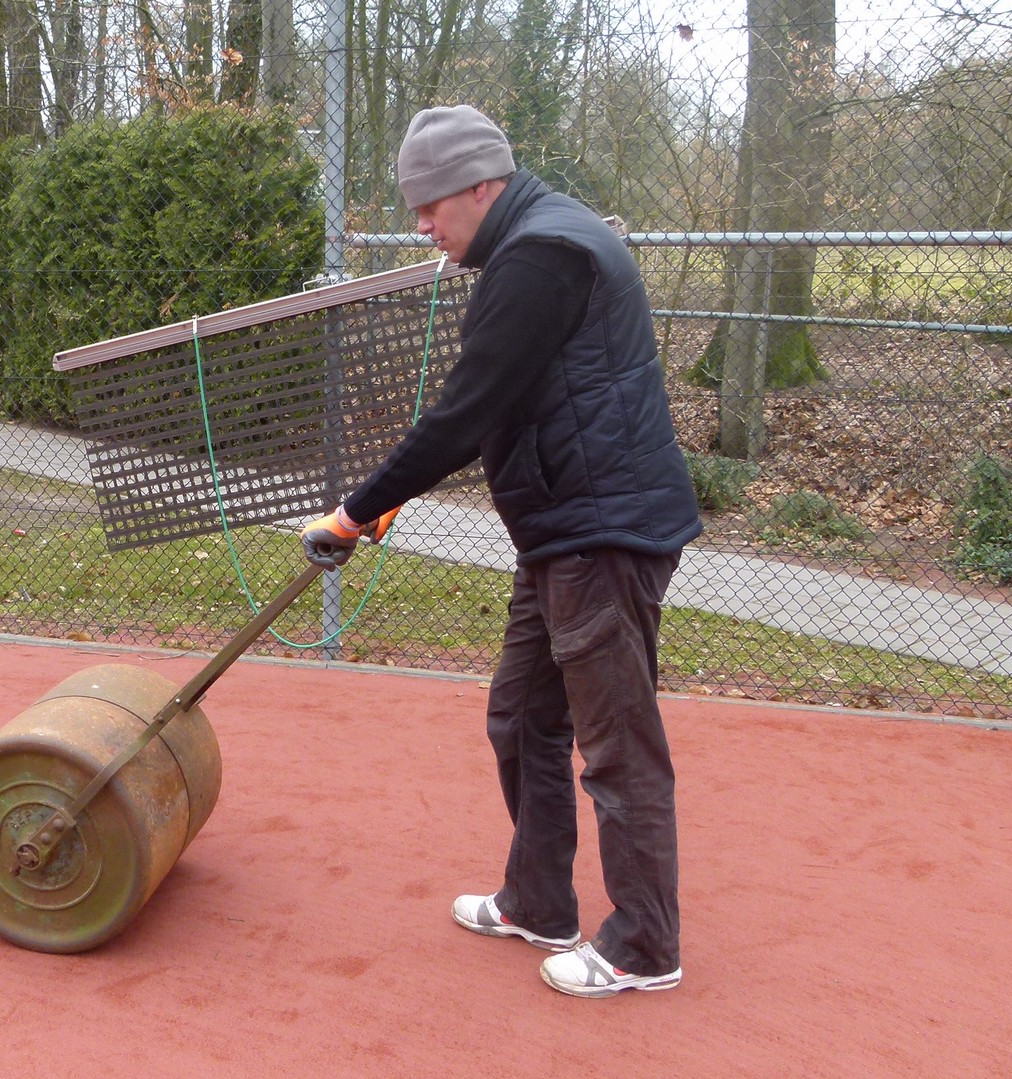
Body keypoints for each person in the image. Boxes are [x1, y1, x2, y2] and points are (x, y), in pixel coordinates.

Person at [299, 105, 703, 998]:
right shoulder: (537, 244)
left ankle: (645, 945)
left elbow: (466, 407)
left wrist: (356, 510)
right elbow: (506, 402)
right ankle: (538, 898)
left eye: (430, 205)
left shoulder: (543, 255)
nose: (422, 225)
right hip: (563, 532)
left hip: (601, 535)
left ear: (481, 186)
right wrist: (394, 495)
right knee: (522, 718)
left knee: (616, 749)